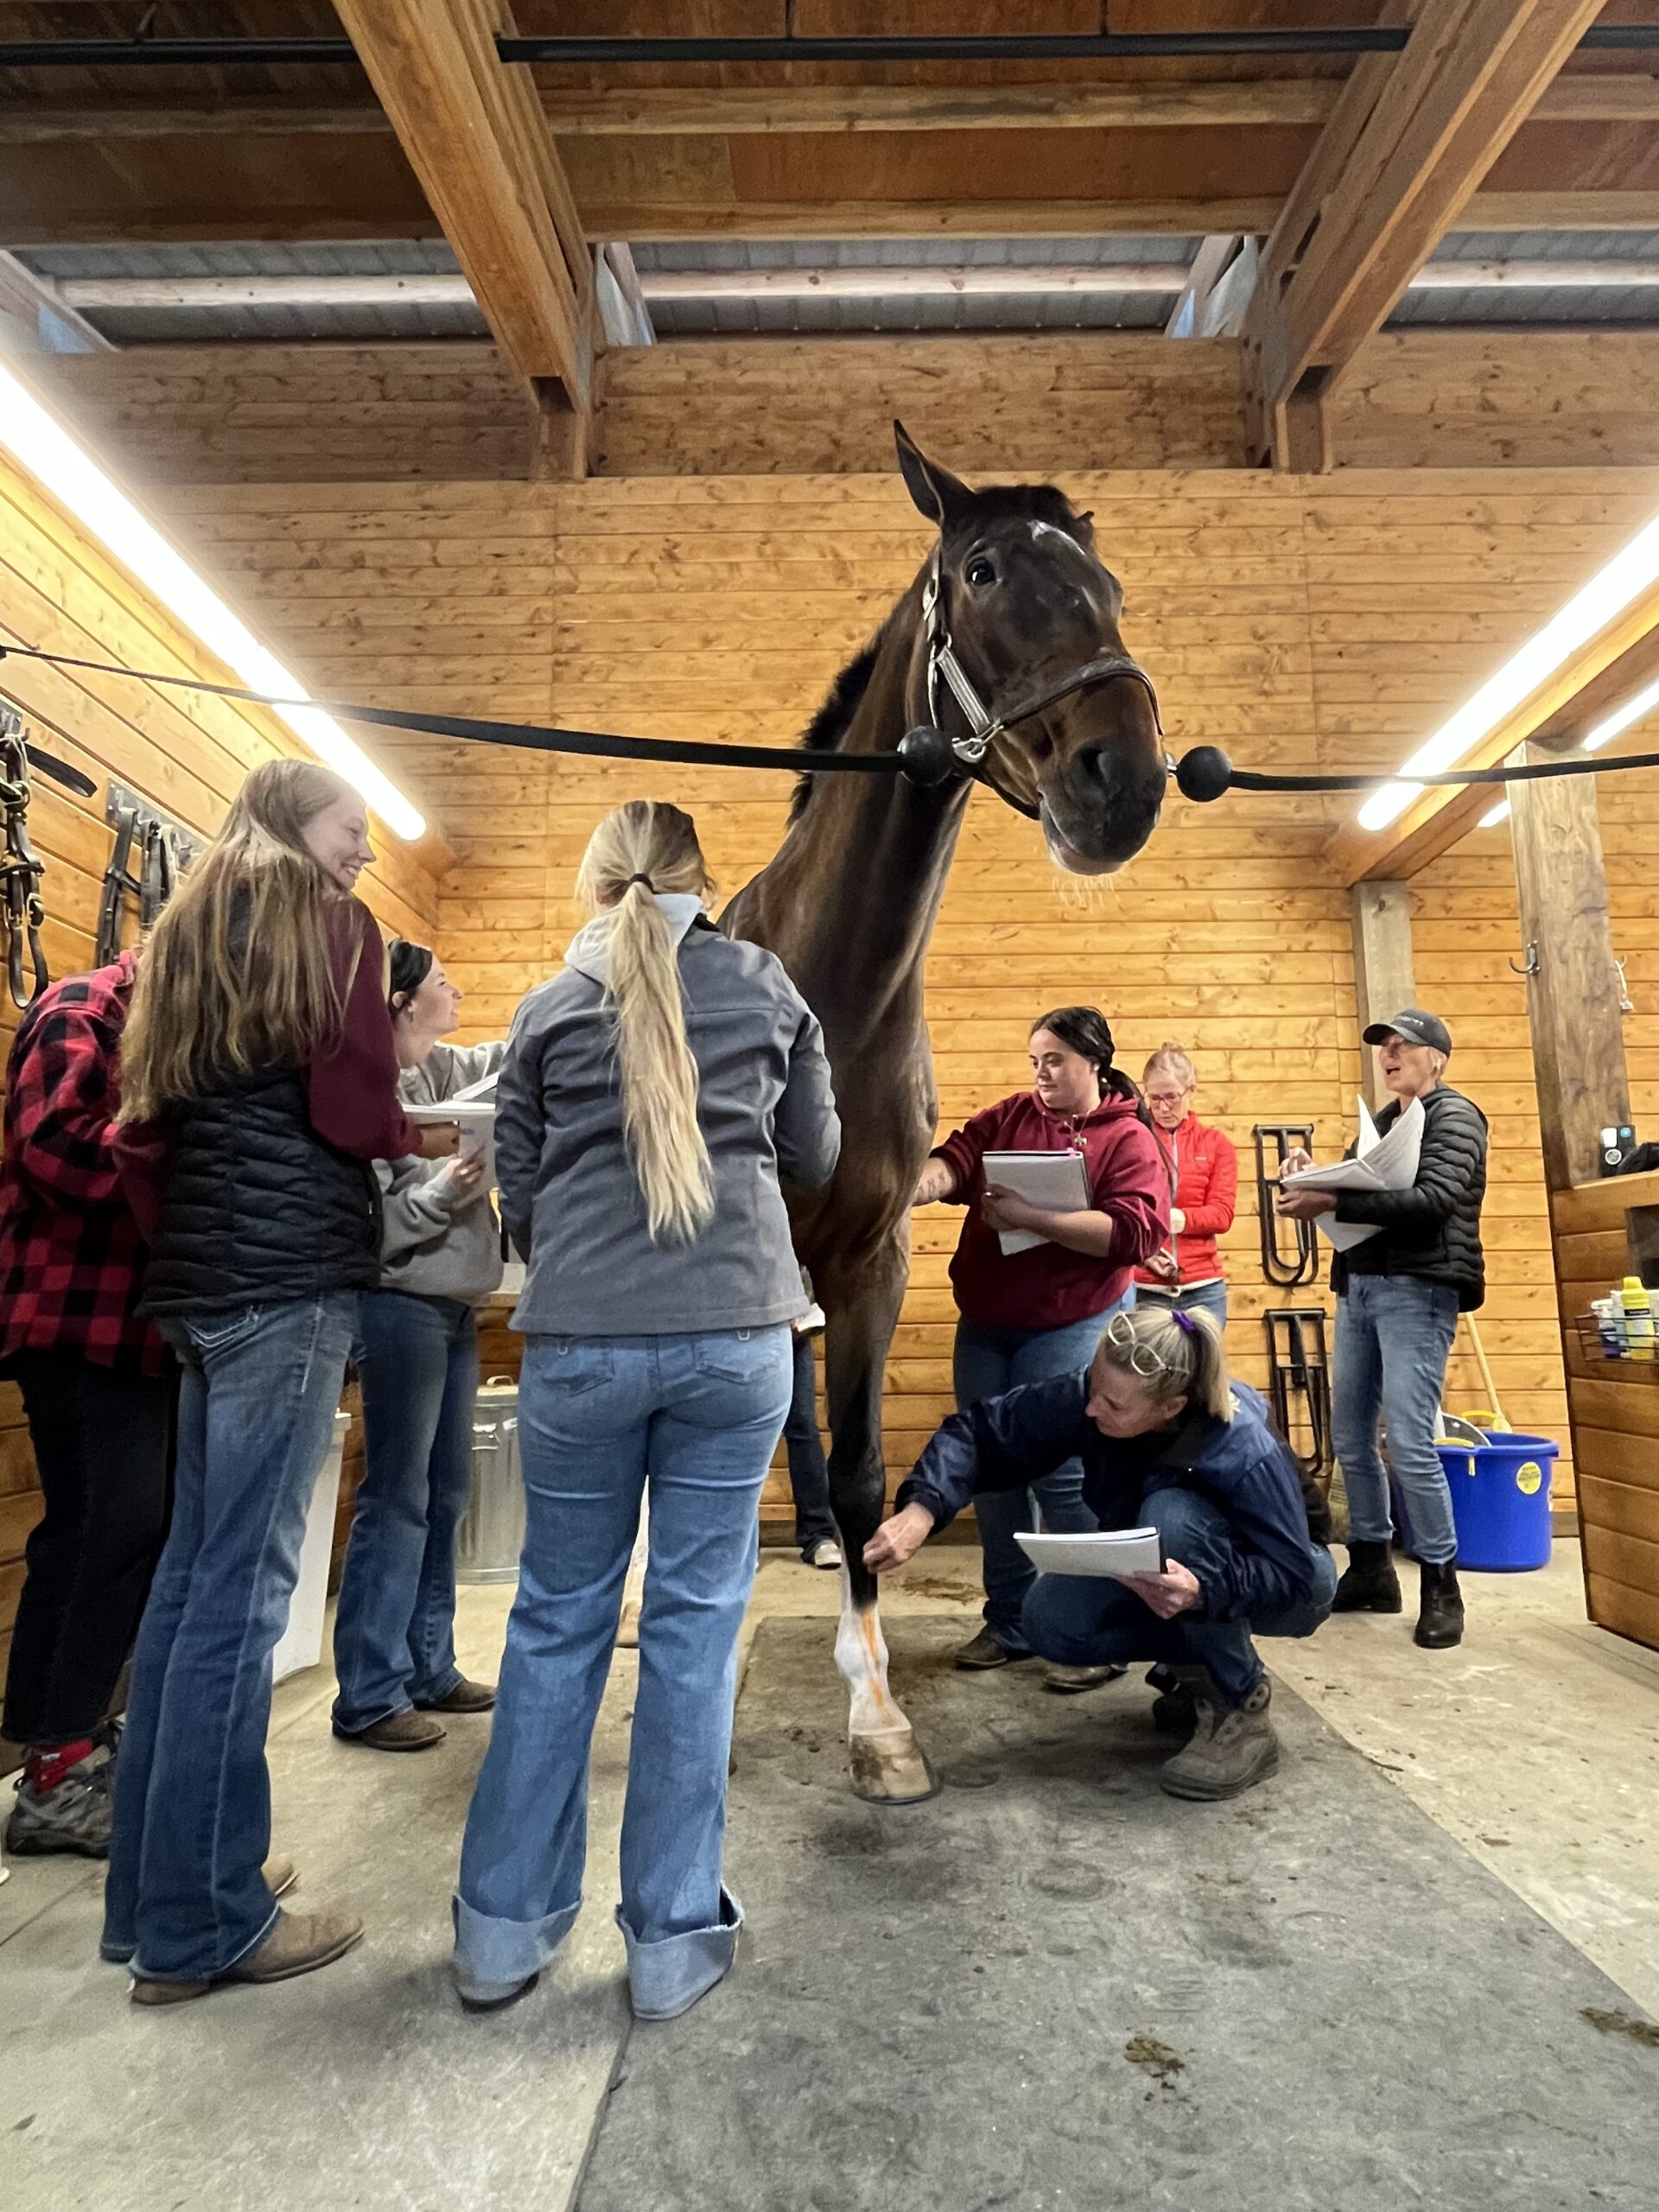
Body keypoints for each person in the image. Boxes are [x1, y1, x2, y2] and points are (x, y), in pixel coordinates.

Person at [453, 799, 839, 2023]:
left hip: (579, 1343)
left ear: (599, 878)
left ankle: (498, 1937)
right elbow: (817, 1153)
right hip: (734, 1338)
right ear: (701, 880)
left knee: (555, 1624)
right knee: (692, 1631)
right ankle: (672, 1942)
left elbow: (516, 1180)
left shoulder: (546, 1006)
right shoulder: (769, 987)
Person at [102, 760, 448, 2005]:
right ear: (297, 827)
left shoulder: (188, 934)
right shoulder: (327, 922)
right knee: (241, 1605)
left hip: (197, 1286)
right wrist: (426, 1122)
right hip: (287, 1279)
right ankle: (206, 1924)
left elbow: (137, 1136)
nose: (364, 855)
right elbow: (354, 1112)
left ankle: (166, 1887)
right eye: (353, 831)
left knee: (190, 1593)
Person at [864, 1305, 1336, 1799]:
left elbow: (1296, 1573)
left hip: (1290, 1583)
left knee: (1171, 1516)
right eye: (1093, 1387)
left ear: (1170, 1407)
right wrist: (922, 1509)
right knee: (1050, 1619)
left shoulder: (1240, 1446)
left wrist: (1204, 1592)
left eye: (1112, 1405)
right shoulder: (1098, 1394)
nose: (1092, 1409)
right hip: (1176, 1573)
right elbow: (982, 1432)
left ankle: (1244, 1701)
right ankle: (1202, 1672)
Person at [912, 1006, 1167, 1688]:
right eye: (1034, 1061)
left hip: (1075, 1321)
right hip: (991, 1322)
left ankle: (1098, 1631)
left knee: (1064, 1474)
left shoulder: (1130, 1140)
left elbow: (1135, 1234)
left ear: (1093, 1062)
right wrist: (917, 1185)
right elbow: (960, 1158)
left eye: (1054, 1061)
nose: (1042, 1073)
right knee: (990, 1468)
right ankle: (1011, 1618)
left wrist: (1032, 1218)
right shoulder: (1014, 1115)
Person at [0, 950, 175, 1859]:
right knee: (116, 1531)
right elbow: (53, 1145)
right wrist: (180, 1151)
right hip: (77, 1320)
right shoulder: (85, 1006)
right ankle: (58, 1773)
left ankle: (52, 1746)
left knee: (83, 1537)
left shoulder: (153, 1015)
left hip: (127, 1329)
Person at [330, 942, 504, 1752]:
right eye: (442, 983)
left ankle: (430, 1665)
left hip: (455, 1306)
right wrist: (439, 1192)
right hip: (400, 1306)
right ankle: (368, 1692)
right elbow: (379, 1223)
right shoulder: (369, 1090)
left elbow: (508, 1055)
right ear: (402, 1001)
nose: (456, 990)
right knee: (397, 1496)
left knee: (446, 1493)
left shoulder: (443, 1070)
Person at [1274, 1007, 1487, 1650]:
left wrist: (1332, 1199)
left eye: (1404, 1046)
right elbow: (1352, 1189)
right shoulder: (1388, 1122)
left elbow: (1434, 1200)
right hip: (1362, 1287)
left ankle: (1441, 1584)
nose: (1390, 1055)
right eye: (1384, 1047)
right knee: (1349, 1433)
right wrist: (1312, 1173)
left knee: (1411, 1441)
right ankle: (1370, 1565)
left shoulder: (1455, 1115)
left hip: (1418, 1291)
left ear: (1437, 1058)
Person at [1135, 1044, 1237, 1328]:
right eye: (1154, 1098)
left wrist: (1173, 1219)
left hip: (1203, 1288)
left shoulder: (1216, 1145)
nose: (1163, 1107)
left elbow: (1221, 1214)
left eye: (1172, 1097)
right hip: (1144, 1290)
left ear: (1190, 1090)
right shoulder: (1135, 1140)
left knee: (1203, 1372)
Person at [783, 1273, 842, 1570]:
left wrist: (806, 1306)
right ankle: (742, 1542)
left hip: (792, 1328)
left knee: (803, 1427)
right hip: (742, 1329)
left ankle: (818, 1534)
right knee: (739, 1433)